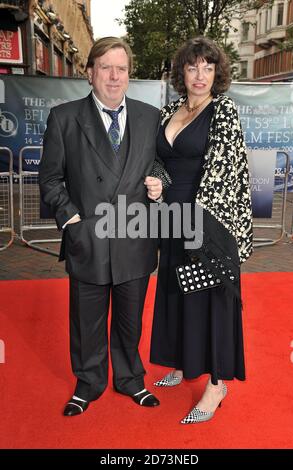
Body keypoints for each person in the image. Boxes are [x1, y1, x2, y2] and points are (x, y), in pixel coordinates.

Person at [39, 37, 169, 416]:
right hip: (89, 238)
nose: (114, 76)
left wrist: (160, 183)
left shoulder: (150, 117)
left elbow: (162, 164)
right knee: (87, 321)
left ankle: (130, 379)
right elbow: (49, 179)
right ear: (91, 73)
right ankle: (88, 383)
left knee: (130, 319)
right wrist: (71, 219)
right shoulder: (64, 118)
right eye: (106, 68)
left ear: (130, 74)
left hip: (134, 237)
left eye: (122, 68)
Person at [150, 36, 253, 424]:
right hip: (172, 220)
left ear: (217, 73)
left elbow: (227, 172)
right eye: (193, 67)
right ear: (182, 72)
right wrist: (157, 182)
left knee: (212, 301)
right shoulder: (170, 110)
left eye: (208, 67)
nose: (200, 75)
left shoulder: (223, 110)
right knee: (177, 292)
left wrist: (199, 221)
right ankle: (181, 360)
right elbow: (156, 159)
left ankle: (216, 383)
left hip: (208, 223)